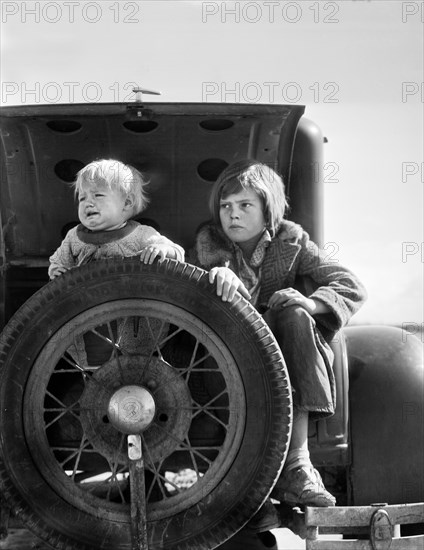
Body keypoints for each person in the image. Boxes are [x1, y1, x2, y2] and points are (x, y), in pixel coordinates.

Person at [190, 159, 367, 530]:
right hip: (228, 365)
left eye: (244, 205)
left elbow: (351, 286)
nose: (232, 215)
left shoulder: (292, 241)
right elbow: (186, 290)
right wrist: (214, 275)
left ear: (267, 209)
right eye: (226, 206)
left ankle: (297, 466)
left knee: (294, 314)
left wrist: (312, 302)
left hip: (284, 361)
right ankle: (248, 492)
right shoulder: (210, 244)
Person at [49, 159, 184, 279]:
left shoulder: (141, 235)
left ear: (127, 203)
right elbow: (59, 262)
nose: (88, 203)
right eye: (82, 198)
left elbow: (178, 254)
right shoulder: (74, 237)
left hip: (129, 300)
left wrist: (162, 249)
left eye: (98, 195)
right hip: (88, 302)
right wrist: (56, 270)